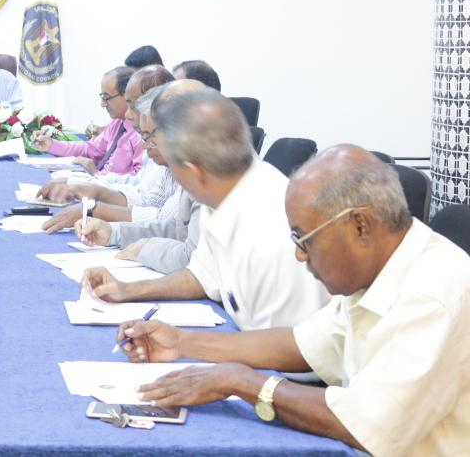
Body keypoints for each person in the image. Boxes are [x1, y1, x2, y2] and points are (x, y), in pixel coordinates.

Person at [117, 146, 470, 456]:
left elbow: (363, 424)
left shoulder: (433, 294)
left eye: (305, 239)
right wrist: (182, 343)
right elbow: (301, 343)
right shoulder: (380, 270)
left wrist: (243, 382)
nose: (300, 256)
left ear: (360, 226)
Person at [82, 88, 330, 332]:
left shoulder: (272, 237)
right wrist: (128, 290)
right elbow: (201, 275)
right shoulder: (223, 196)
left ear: (194, 172)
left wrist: (184, 344)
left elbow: (290, 348)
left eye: (173, 167)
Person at [75, 80, 208, 274]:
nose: (145, 146)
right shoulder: (194, 163)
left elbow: (192, 259)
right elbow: (179, 229)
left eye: (149, 137)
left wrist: (144, 249)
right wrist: (114, 232)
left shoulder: (213, 171)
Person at [39, 65, 178, 233]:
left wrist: (95, 206)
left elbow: (165, 221)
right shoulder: (134, 133)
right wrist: (89, 186)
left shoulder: (158, 144)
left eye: (133, 106)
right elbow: (145, 194)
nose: (128, 114)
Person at [34, 66, 143, 177]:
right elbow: (89, 149)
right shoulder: (117, 124)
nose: (103, 104)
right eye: (102, 97)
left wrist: (97, 175)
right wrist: (51, 144)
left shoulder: (142, 133)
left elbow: (139, 181)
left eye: (106, 97)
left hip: (107, 186)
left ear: (126, 95)